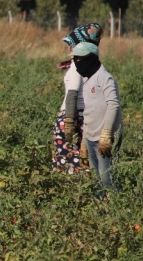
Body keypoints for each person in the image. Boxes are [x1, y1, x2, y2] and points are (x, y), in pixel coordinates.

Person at [70, 42, 123, 195]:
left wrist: (107, 134)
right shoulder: (87, 81)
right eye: (75, 59)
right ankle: (102, 210)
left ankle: (117, 206)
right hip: (91, 136)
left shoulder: (104, 77)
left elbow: (113, 104)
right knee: (96, 179)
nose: (77, 63)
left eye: (80, 59)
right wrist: (84, 142)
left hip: (105, 137)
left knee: (107, 177)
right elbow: (89, 112)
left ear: (91, 58)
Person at [52, 23, 103, 174]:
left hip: (73, 117)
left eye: (72, 45)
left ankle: (66, 189)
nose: (69, 48)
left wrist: (68, 120)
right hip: (83, 117)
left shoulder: (77, 66)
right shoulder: (93, 65)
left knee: (67, 158)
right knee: (80, 158)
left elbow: (72, 94)